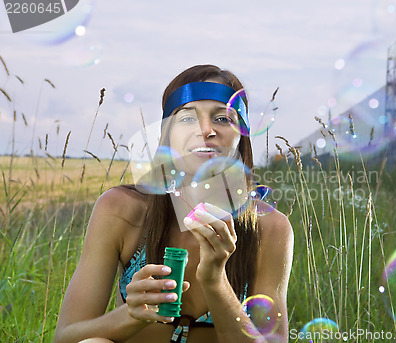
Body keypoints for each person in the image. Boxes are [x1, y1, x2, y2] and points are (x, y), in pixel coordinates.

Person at [54, 65, 294, 343]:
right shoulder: (121, 209)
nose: (206, 130)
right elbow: (67, 337)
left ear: (242, 134)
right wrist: (131, 314)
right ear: (166, 134)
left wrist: (216, 280)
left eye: (222, 118)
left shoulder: (269, 228)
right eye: (187, 119)